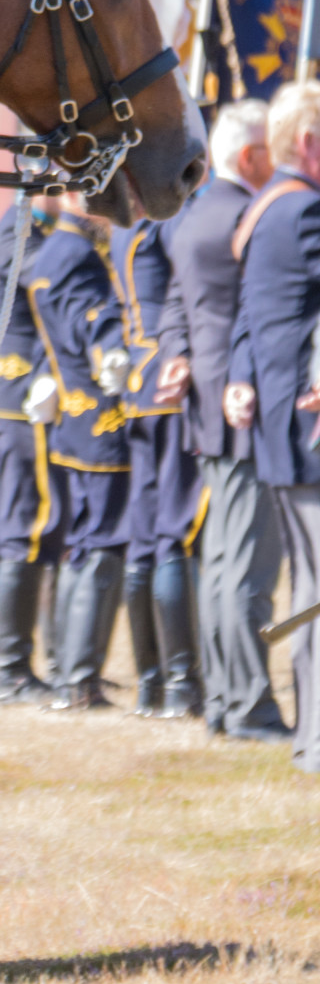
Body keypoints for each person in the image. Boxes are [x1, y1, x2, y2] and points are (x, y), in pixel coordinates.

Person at [157, 98, 286, 742]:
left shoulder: (195, 215)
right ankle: (250, 707)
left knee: (223, 563)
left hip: (208, 405)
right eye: (273, 148)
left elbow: (176, 303)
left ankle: (225, 700)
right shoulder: (249, 217)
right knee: (249, 567)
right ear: (248, 157)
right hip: (247, 403)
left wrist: (175, 354)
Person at [225, 79, 320, 771]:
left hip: (286, 432)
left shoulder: (266, 207)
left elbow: (249, 320)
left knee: (310, 593)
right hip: (309, 433)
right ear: (309, 143)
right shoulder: (304, 212)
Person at [25, 191, 131, 710]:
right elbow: (90, 321)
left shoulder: (53, 249)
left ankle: (72, 668)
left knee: (84, 541)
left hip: (72, 414)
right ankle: (79, 677)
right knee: (102, 540)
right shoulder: (76, 254)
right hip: (99, 417)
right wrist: (110, 350)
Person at [113, 215, 206, 718]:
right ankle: (181, 683)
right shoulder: (166, 219)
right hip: (168, 383)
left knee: (145, 537)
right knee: (174, 534)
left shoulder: (125, 225)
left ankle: (150, 683)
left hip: (138, 380)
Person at [0, 191, 61, 701]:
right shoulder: (20, 243)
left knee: (28, 532)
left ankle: (26, 664)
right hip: (22, 399)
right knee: (24, 533)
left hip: (15, 397)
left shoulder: (18, 237)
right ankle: (11, 671)